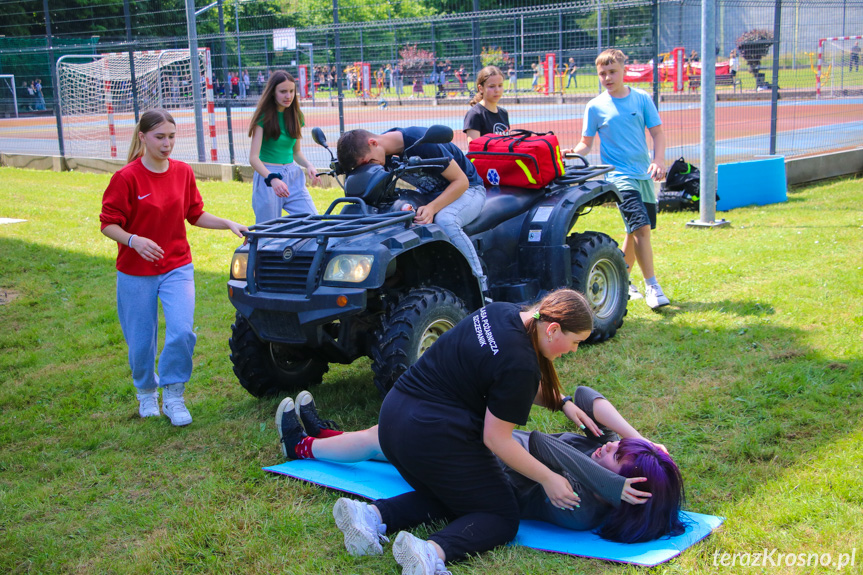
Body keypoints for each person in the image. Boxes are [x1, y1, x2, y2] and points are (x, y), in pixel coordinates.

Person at [312, 291, 626, 573]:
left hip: (395, 419)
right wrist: (548, 478)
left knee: (464, 497)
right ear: (554, 329)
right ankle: (431, 553)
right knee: (501, 516)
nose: (573, 351)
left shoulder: (503, 313)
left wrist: (561, 402)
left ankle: (371, 516)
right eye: (575, 342)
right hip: (431, 435)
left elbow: (501, 375)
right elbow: (496, 439)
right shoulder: (522, 365)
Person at [277, 385, 686, 546]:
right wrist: (638, 439)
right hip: (489, 441)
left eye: (615, 456)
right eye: (614, 446)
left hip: (472, 463)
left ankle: (303, 447)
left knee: (380, 439)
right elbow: (584, 394)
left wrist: (611, 484)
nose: (607, 447)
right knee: (378, 435)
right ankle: (324, 436)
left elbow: (543, 443)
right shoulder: (600, 464)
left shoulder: (584, 507)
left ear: (621, 488)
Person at [99, 109, 247, 426]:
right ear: (142, 137)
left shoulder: (182, 172)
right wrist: (133, 240)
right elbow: (108, 224)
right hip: (135, 272)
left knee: (181, 332)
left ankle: (174, 395)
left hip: (177, 266)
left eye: (171, 137)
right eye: (159, 137)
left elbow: (195, 214)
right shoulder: (125, 178)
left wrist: (227, 223)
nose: (167, 144)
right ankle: (146, 392)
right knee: (141, 342)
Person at [566, 49, 669, 309]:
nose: (608, 77)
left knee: (633, 232)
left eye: (612, 72)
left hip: (643, 175)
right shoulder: (595, 106)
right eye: (602, 73)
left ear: (624, 70)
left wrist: (658, 161)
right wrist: (570, 154)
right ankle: (652, 287)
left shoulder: (642, 99)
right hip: (619, 177)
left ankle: (622, 281)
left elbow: (657, 134)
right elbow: (585, 144)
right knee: (641, 229)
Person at [336, 127, 488, 292]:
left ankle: (479, 283)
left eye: (369, 163)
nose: (371, 168)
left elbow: (461, 181)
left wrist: (432, 208)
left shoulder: (421, 142)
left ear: (373, 143)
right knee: (398, 219)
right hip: (429, 193)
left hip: (468, 190)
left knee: (445, 220)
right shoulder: (382, 153)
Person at [248, 70, 321, 224]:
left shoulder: (296, 116)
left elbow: (296, 152)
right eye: (283, 92)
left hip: (292, 176)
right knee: (268, 232)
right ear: (273, 93)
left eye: (291, 91)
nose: (288, 96)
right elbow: (253, 158)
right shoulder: (263, 117)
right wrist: (272, 178)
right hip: (269, 177)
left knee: (313, 221)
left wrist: (309, 165)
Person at [463, 65, 509, 143]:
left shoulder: (503, 113)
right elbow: (474, 150)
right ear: (481, 88)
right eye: (492, 86)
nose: (497, 90)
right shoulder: (475, 114)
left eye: (500, 85)